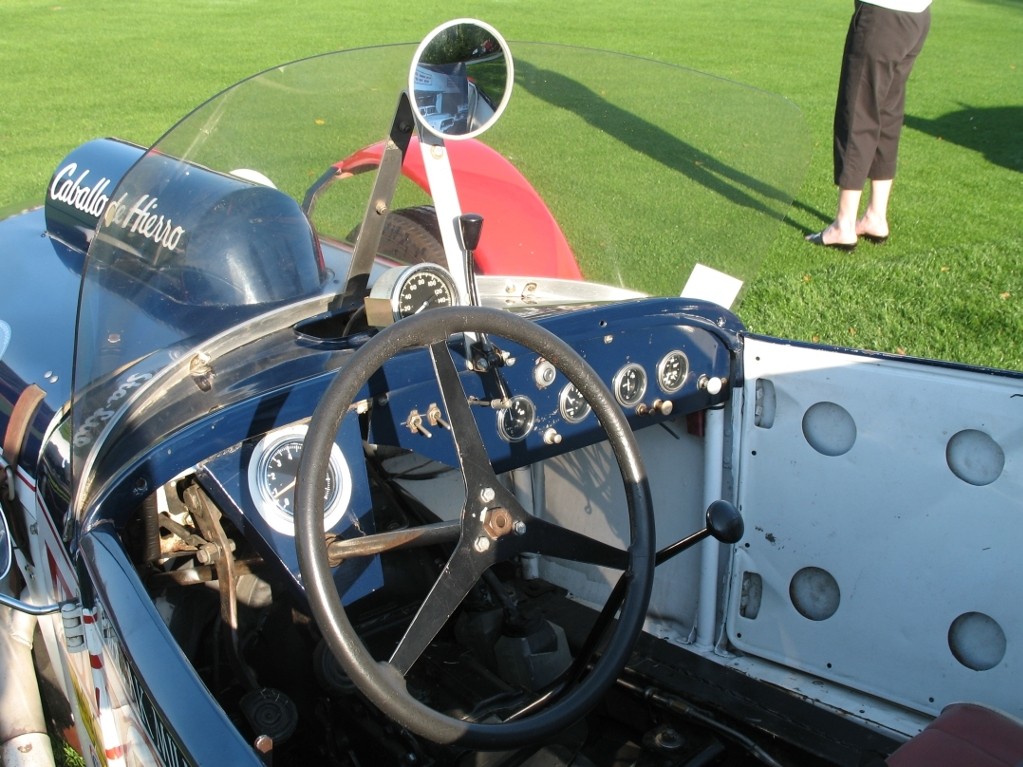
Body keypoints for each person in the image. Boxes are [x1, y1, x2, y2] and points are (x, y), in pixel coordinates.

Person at [806, 0, 932, 251]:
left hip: (882, 15)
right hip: (916, 16)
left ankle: (844, 225)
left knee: (858, 114)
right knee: (888, 113)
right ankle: (876, 216)